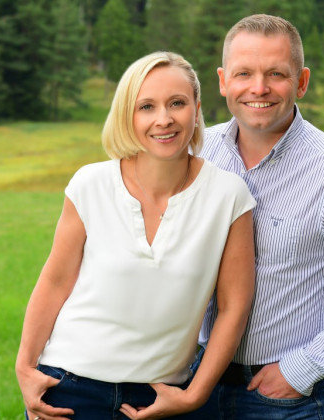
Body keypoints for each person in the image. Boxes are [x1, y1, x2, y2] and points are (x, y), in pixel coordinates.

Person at [15, 51, 257, 420]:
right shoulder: (90, 184)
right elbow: (55, 281)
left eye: (177, 103)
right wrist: (25, 367)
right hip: (69, 389)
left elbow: (233, 307)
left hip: (162, 397)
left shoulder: (229, 196)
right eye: (147, 106)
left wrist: (194, 396)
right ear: (128, 116)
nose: (164, 119)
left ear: (196, 109)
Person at [193, 14, 324, 419]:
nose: (259, 88)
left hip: (283, 400)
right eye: (244, 73)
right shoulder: (196, 154)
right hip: (193, 382)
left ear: (302, 82)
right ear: (222, 81)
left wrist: (299, 371)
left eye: (276, 74)